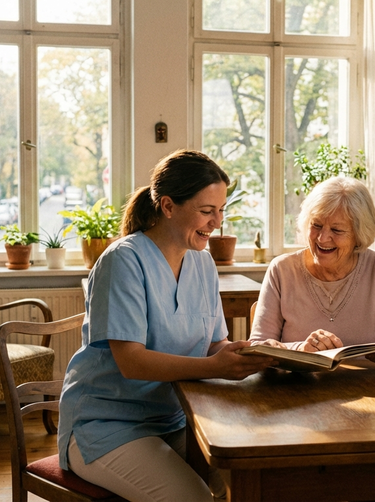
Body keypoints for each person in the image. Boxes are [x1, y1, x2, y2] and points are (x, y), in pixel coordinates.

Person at [58, 150, 274, 502]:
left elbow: (214, 344)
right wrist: (216, 367)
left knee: (254, 482)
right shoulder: (123, 260)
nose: (217, 222)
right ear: (169, 206)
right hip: (107, 426)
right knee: (196, 499)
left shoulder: (203, 264)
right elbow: (132, 363)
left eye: (221, 210)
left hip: (175, 419)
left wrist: (249, 354)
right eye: (207, 211)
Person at [250, 176, 375, 370]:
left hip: (369, 386)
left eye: (337, 230)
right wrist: (300, 350)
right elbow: (257, 347)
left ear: (359, 235)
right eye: (316, 225)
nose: (323, 238)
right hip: (298, 386)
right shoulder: (282, 270)